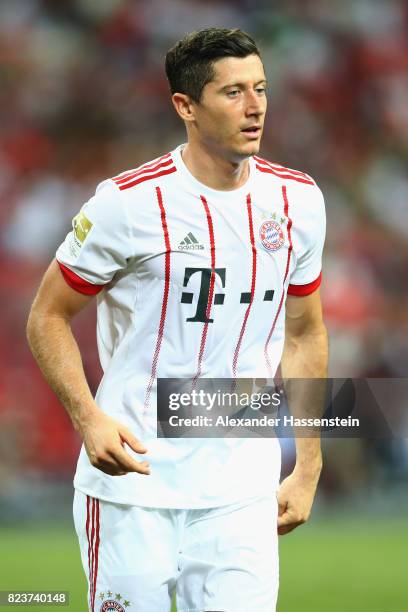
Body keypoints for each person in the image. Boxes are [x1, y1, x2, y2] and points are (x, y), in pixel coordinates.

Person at [27, 28, 328, 612]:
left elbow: (305, 331)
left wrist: (308, 463)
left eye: (261, 88)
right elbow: (47, 317)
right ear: (186, 106)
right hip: (135, 485)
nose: (255, 105)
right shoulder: (128, 204)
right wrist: (88, 418)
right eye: (234, 92)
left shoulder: (300, 202)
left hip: (243, 486)